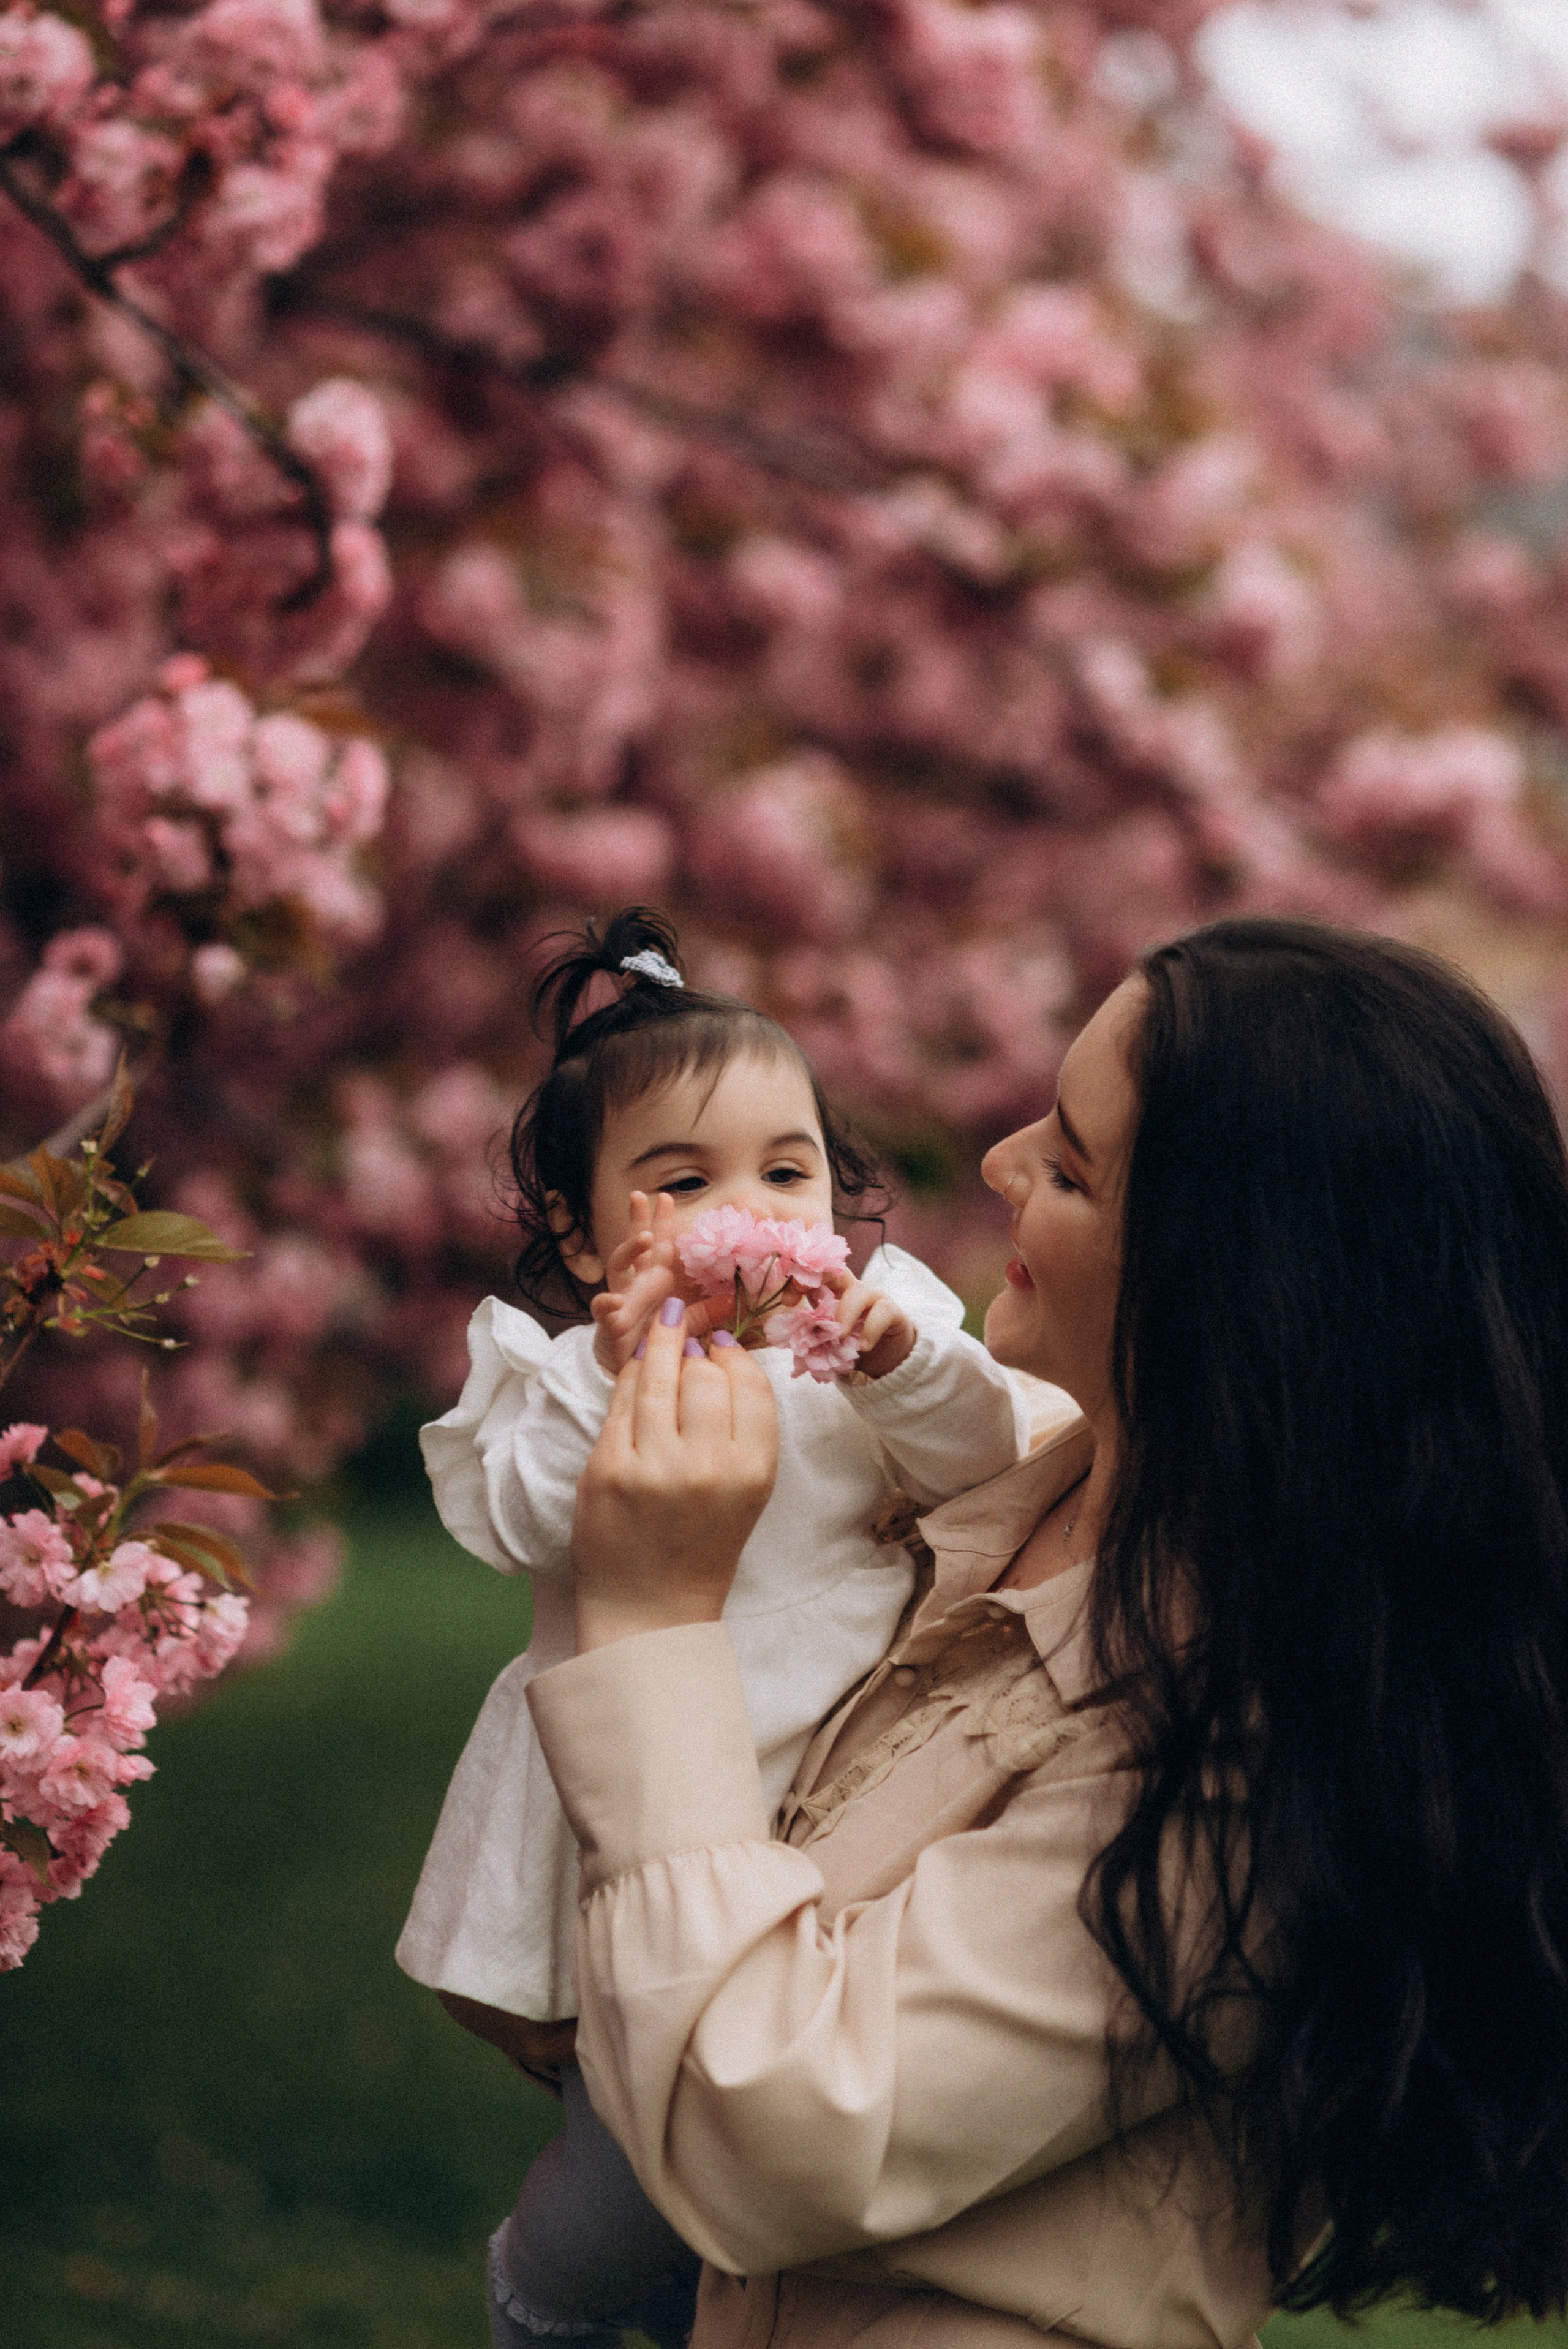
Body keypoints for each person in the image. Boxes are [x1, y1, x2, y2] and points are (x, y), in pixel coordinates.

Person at [524, 918, 1568, 2348]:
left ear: (1230, 1284)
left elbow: (776, 2132)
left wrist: (648, 1616)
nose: (1002, 1161)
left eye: (1069, 1164)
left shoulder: (1244, 1745)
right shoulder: (1012, 1487)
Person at [396, 908, 1056, 2348]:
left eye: (785, 1169)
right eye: (681, 1180)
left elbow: (984, 1455)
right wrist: (615, 1370)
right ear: (581, 1228)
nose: (746, 1209)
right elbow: (514, 1519)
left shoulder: (882, 1327)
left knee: (775, 2123)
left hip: (845, 1779)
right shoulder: (559, 1367)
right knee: (631, 2138)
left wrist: (890, 1364)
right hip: (629, 1791)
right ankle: (547, 2295)